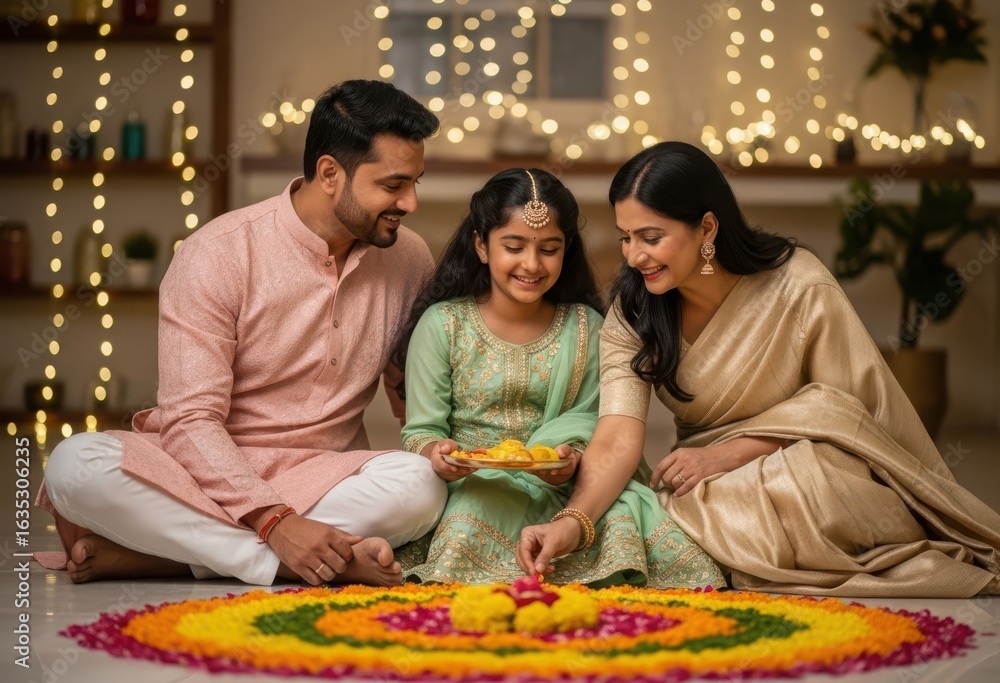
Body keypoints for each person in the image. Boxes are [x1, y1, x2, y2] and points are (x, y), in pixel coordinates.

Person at [516, 141, 1000, 597]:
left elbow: (845, 413)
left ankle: (739, 547)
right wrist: (574, 520)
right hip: (707, 485)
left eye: (651, 237)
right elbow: (618, 435)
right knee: (634, 506)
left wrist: (732, 453)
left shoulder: (799, 283)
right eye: (626, 237)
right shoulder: (635, 309)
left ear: (707, 229)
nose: (634, 256)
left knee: (804, 486)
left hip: (813, 462)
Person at [37, 80, 449, 587]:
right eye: (393, 185)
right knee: (74, 466)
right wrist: (275, 522)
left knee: (422, 485)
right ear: (329, 173)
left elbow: (413, 383)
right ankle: (292, 558)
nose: (410, 202)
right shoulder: (218, 253)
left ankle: (168, 557)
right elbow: (190, 420)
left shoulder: (409, 258)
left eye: (415, 183)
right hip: (201, 471)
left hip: (325, 474)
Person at [390, 168, 725, 589]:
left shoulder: (586, 327)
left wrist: (571, 459)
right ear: (481, 245)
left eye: (549, 249)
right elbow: (421, 431)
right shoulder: (444, 324)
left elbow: (595, 424)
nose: (532, 264)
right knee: (475, 510)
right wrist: (438, 455)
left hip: (571, 489)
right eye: (514, 247)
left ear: (567, 250)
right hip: (477, 482)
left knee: (623, 514)